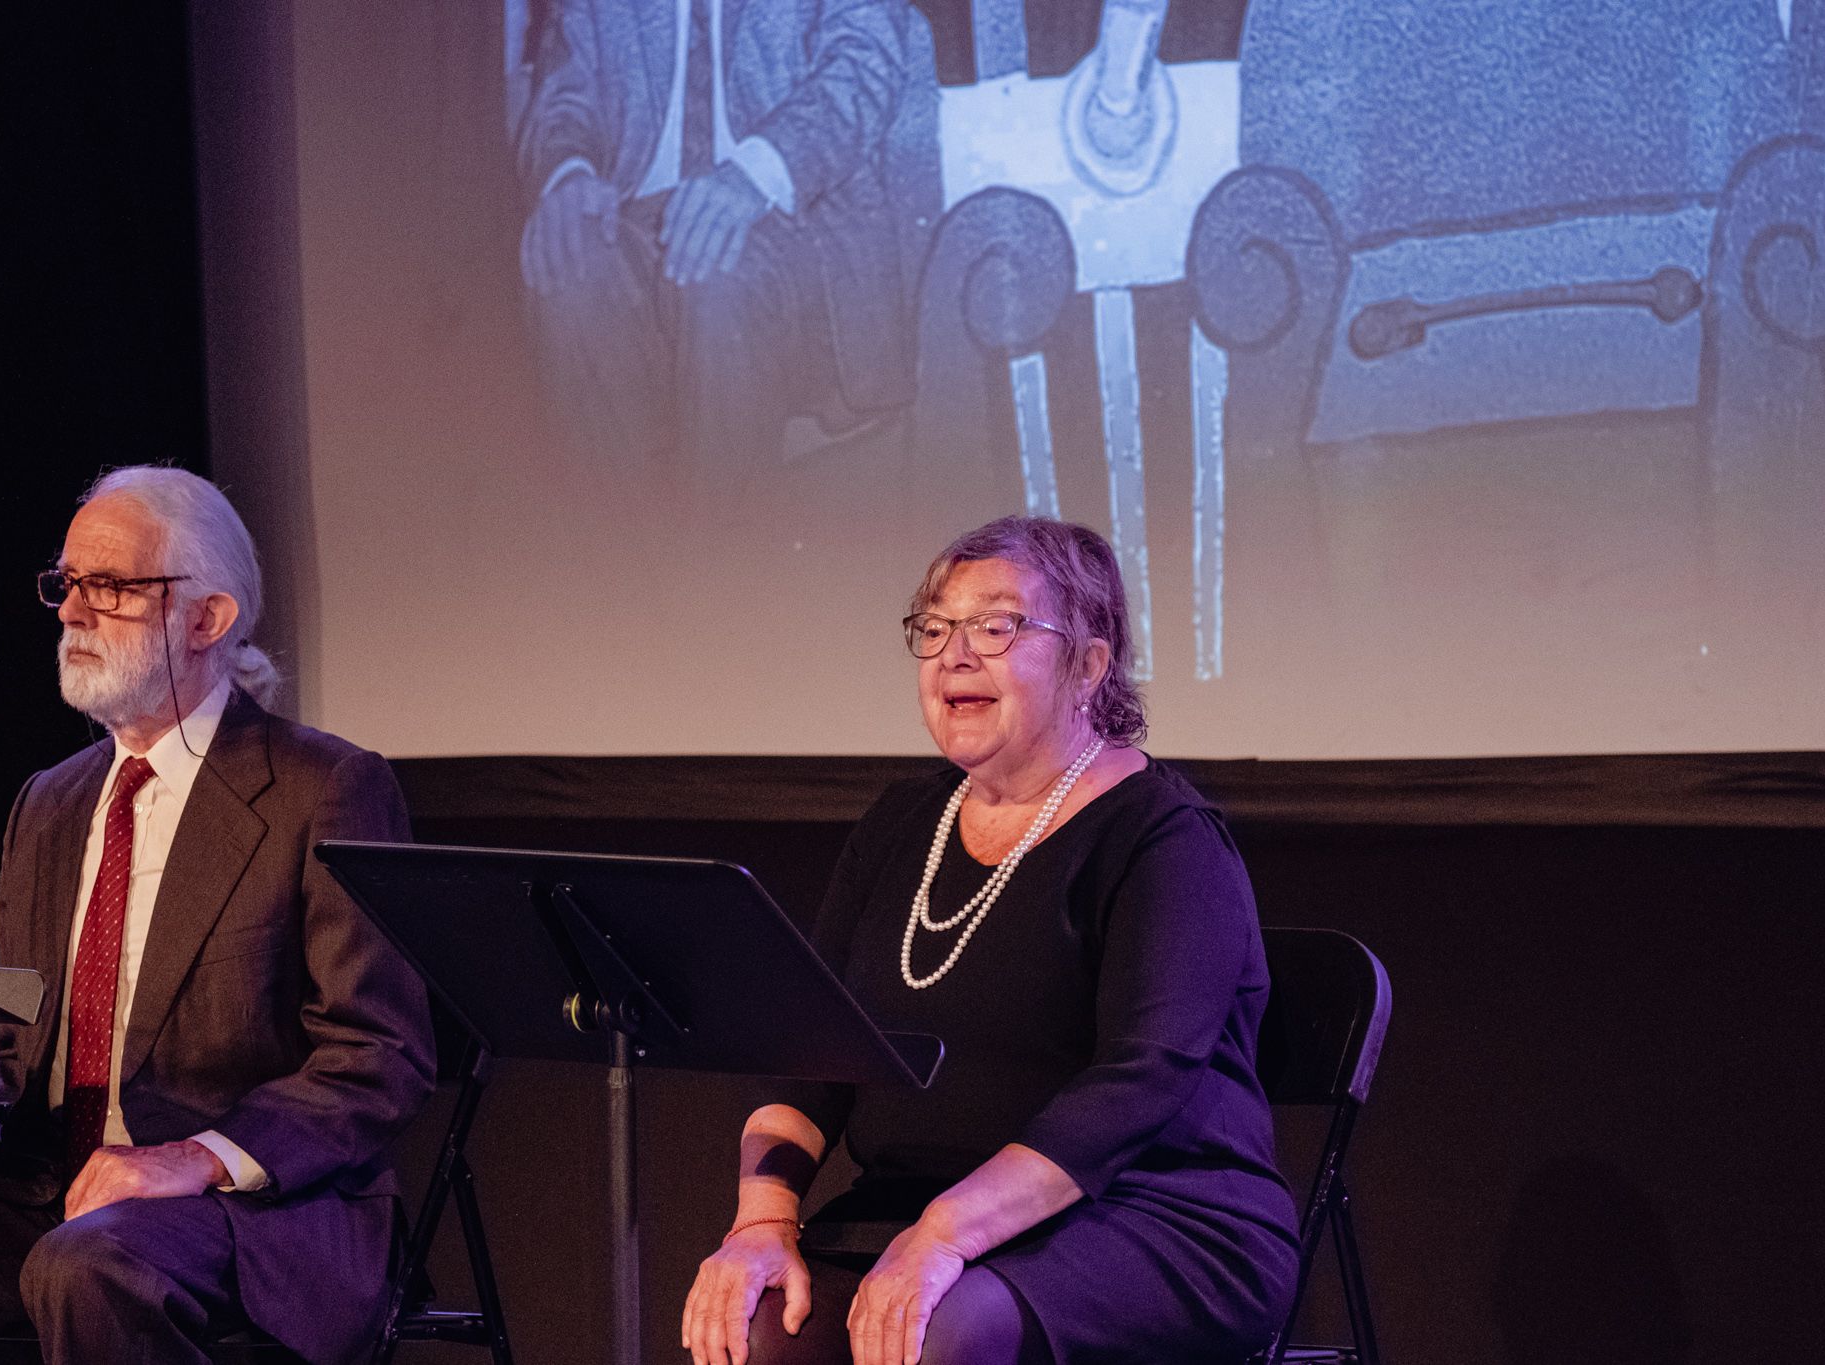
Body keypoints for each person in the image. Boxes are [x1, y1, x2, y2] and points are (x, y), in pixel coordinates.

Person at [680, 517, 1298, 1365]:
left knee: (944, 1331)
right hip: (914, 1207)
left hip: (1154, 1216)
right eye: (933, 628)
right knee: (755, 1325)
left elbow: (1138, 1081)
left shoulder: (1166, 839)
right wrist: (761, 1221)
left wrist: (945, 1232)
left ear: (1089, 663)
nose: (954, 655)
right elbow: (815, 1051)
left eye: (997, 626)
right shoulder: (902, 823)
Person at [0, 467, 436, 1365]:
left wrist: (198, 1155)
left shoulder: (325, 787)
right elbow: (25, 1055)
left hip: (254, 1209)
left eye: (111, 586)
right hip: (56, 1190)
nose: (71, 611)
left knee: (87, 1266)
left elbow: (381, 1055)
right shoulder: (49, 805)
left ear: (208, 619)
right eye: (66, 584)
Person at [515, 0, 931, 507]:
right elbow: (564, 96)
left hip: (799, 223)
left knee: (714, 271)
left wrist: (751, 176)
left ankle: (717, 569)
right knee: (568, 264)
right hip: (636, 228)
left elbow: (865, 66)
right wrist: (569, 175)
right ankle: (619, 572)